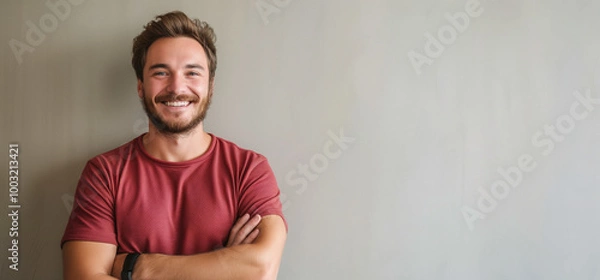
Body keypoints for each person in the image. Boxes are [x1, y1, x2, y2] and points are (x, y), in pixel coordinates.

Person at [61, 11, 287, 280]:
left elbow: (260, 269)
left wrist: (139, 267)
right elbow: (83, 277)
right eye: (160, 72)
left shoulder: (249, 170)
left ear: (210, 86)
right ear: (140, 87)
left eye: (192, 72)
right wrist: (224, 266)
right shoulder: (104, 173)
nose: (177, 87)